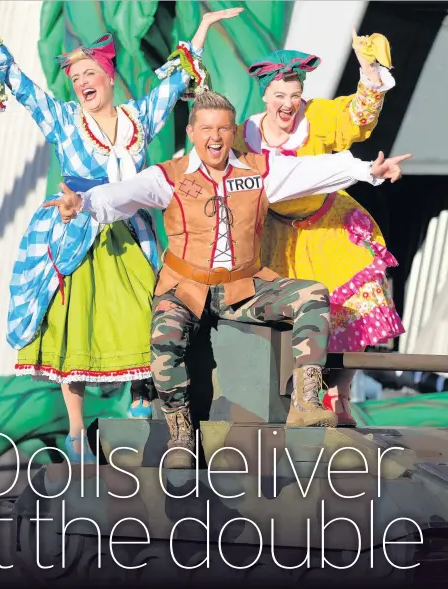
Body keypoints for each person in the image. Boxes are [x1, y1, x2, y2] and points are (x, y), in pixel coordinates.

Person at [44, 90, 410, 468]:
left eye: (222, 129)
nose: (215, 137)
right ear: (191, 132)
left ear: (233, 132)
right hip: (185, 288)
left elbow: (312, 171)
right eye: (206, 129)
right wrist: (83, 203)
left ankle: (306, 403)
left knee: (312, 294)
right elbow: (124, 194)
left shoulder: (259, 169)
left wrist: (368, 171)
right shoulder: (168, 176)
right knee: (164, 337)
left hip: (245, 287)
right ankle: (181, 435)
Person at [0, 9, 243, 462]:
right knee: (74, 328)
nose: (83, 81)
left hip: (130, 238)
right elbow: (26, 91)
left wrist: (201, 30)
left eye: (91, 73)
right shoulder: (66, 121)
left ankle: (143, 420)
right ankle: (74, 434)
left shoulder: (137, 120)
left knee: (148, 321)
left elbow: (170, 87)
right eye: (76, 76)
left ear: (108, 77)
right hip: (75, 236)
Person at [234, 32, 403, 427]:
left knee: (353, 308)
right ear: (264, 97)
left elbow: (358, 118)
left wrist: (368, 69)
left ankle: (340, 397)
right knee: (292, 320)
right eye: (279, 95)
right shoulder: (245, 136)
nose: (288, 104)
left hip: (328, 226)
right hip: (276, 237)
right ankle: (293, 403)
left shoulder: (319, 118)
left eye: (294, 94)